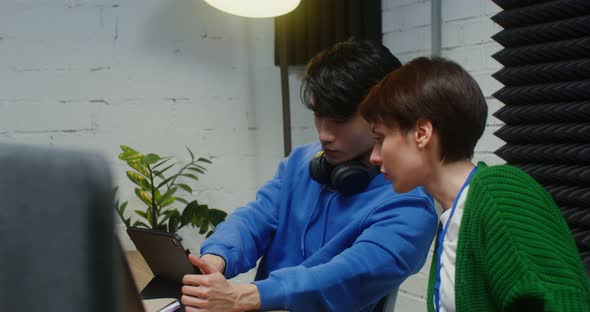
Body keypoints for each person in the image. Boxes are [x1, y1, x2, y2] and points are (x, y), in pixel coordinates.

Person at [180, 40, 439, 312]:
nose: (324, 134)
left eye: (339, 120)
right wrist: (217, 256)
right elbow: (255, 218)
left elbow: (345, 277)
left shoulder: (409, 204)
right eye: (318, 114)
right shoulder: (302, 161)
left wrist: (243, 297)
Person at [360, 57, 590, 312]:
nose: (374, 156)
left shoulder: (500, 193)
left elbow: (565, 302)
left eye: (381, 138)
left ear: (422, 133)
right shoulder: (454, 213)